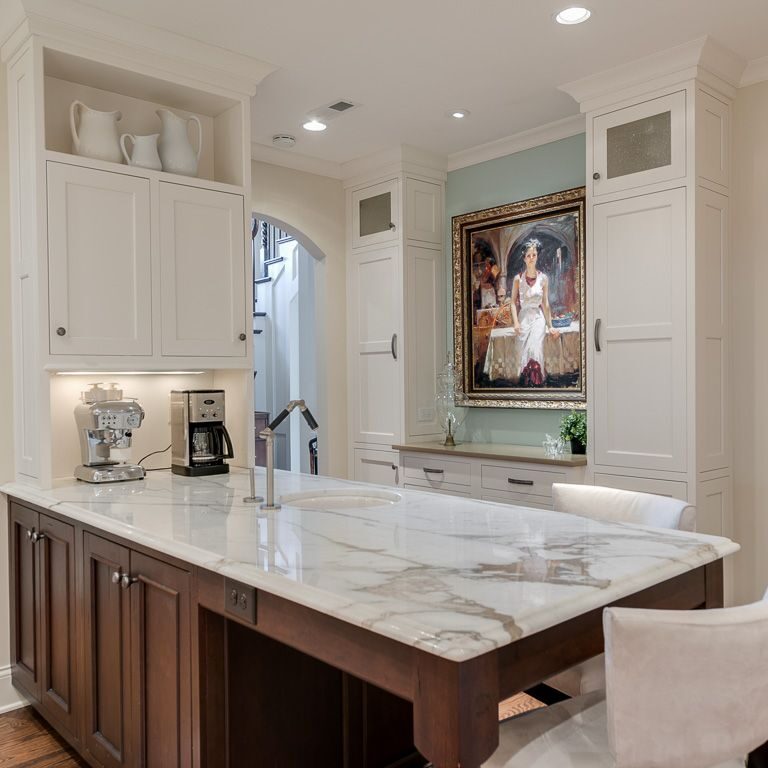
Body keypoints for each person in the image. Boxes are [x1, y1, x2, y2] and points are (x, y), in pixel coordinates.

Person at [509, 238, 559, 386]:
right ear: (524, 258)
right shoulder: (518, 279)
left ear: (537, 256)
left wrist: (550, 326)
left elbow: (545, 304)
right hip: (523, 317)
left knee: (535, 348)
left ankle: (537, 381)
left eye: (534, 255)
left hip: (538, 318)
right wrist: (516, 323)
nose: (531, 258)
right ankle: (526, 383)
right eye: (528, 255)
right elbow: (512, 302)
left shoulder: (543, 278)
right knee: (523, 351)